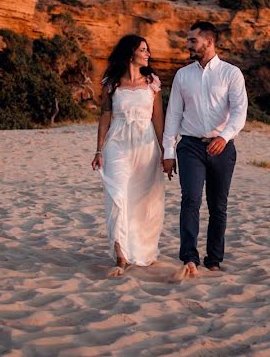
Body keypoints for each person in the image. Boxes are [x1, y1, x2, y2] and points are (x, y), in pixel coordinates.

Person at [163, 21, 248, 279]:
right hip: (189, 146)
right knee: (190, 199)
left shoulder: (231, 73)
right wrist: (168, 151)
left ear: (209, 42)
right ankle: (189, 256)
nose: (188, 44)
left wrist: (224, 137)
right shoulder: (182, 75)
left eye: (193, 41)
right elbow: (173, 113)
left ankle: (214, 259)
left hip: (222, 147)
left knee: (217, 205)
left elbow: (239, 111)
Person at [92, 34, 169, 277]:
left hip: (146, 144)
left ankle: (141, 249)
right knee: (117, 194)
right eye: (143, 49)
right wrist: (98, 149)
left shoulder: (152, 83)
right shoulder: (111, 83)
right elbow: (105, 116)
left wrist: (166, 149)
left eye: (148, 50)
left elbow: (158, 119)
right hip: (117, 142)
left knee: (143, 200)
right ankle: (121, 256)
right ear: (130, 53)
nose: (148, 54)